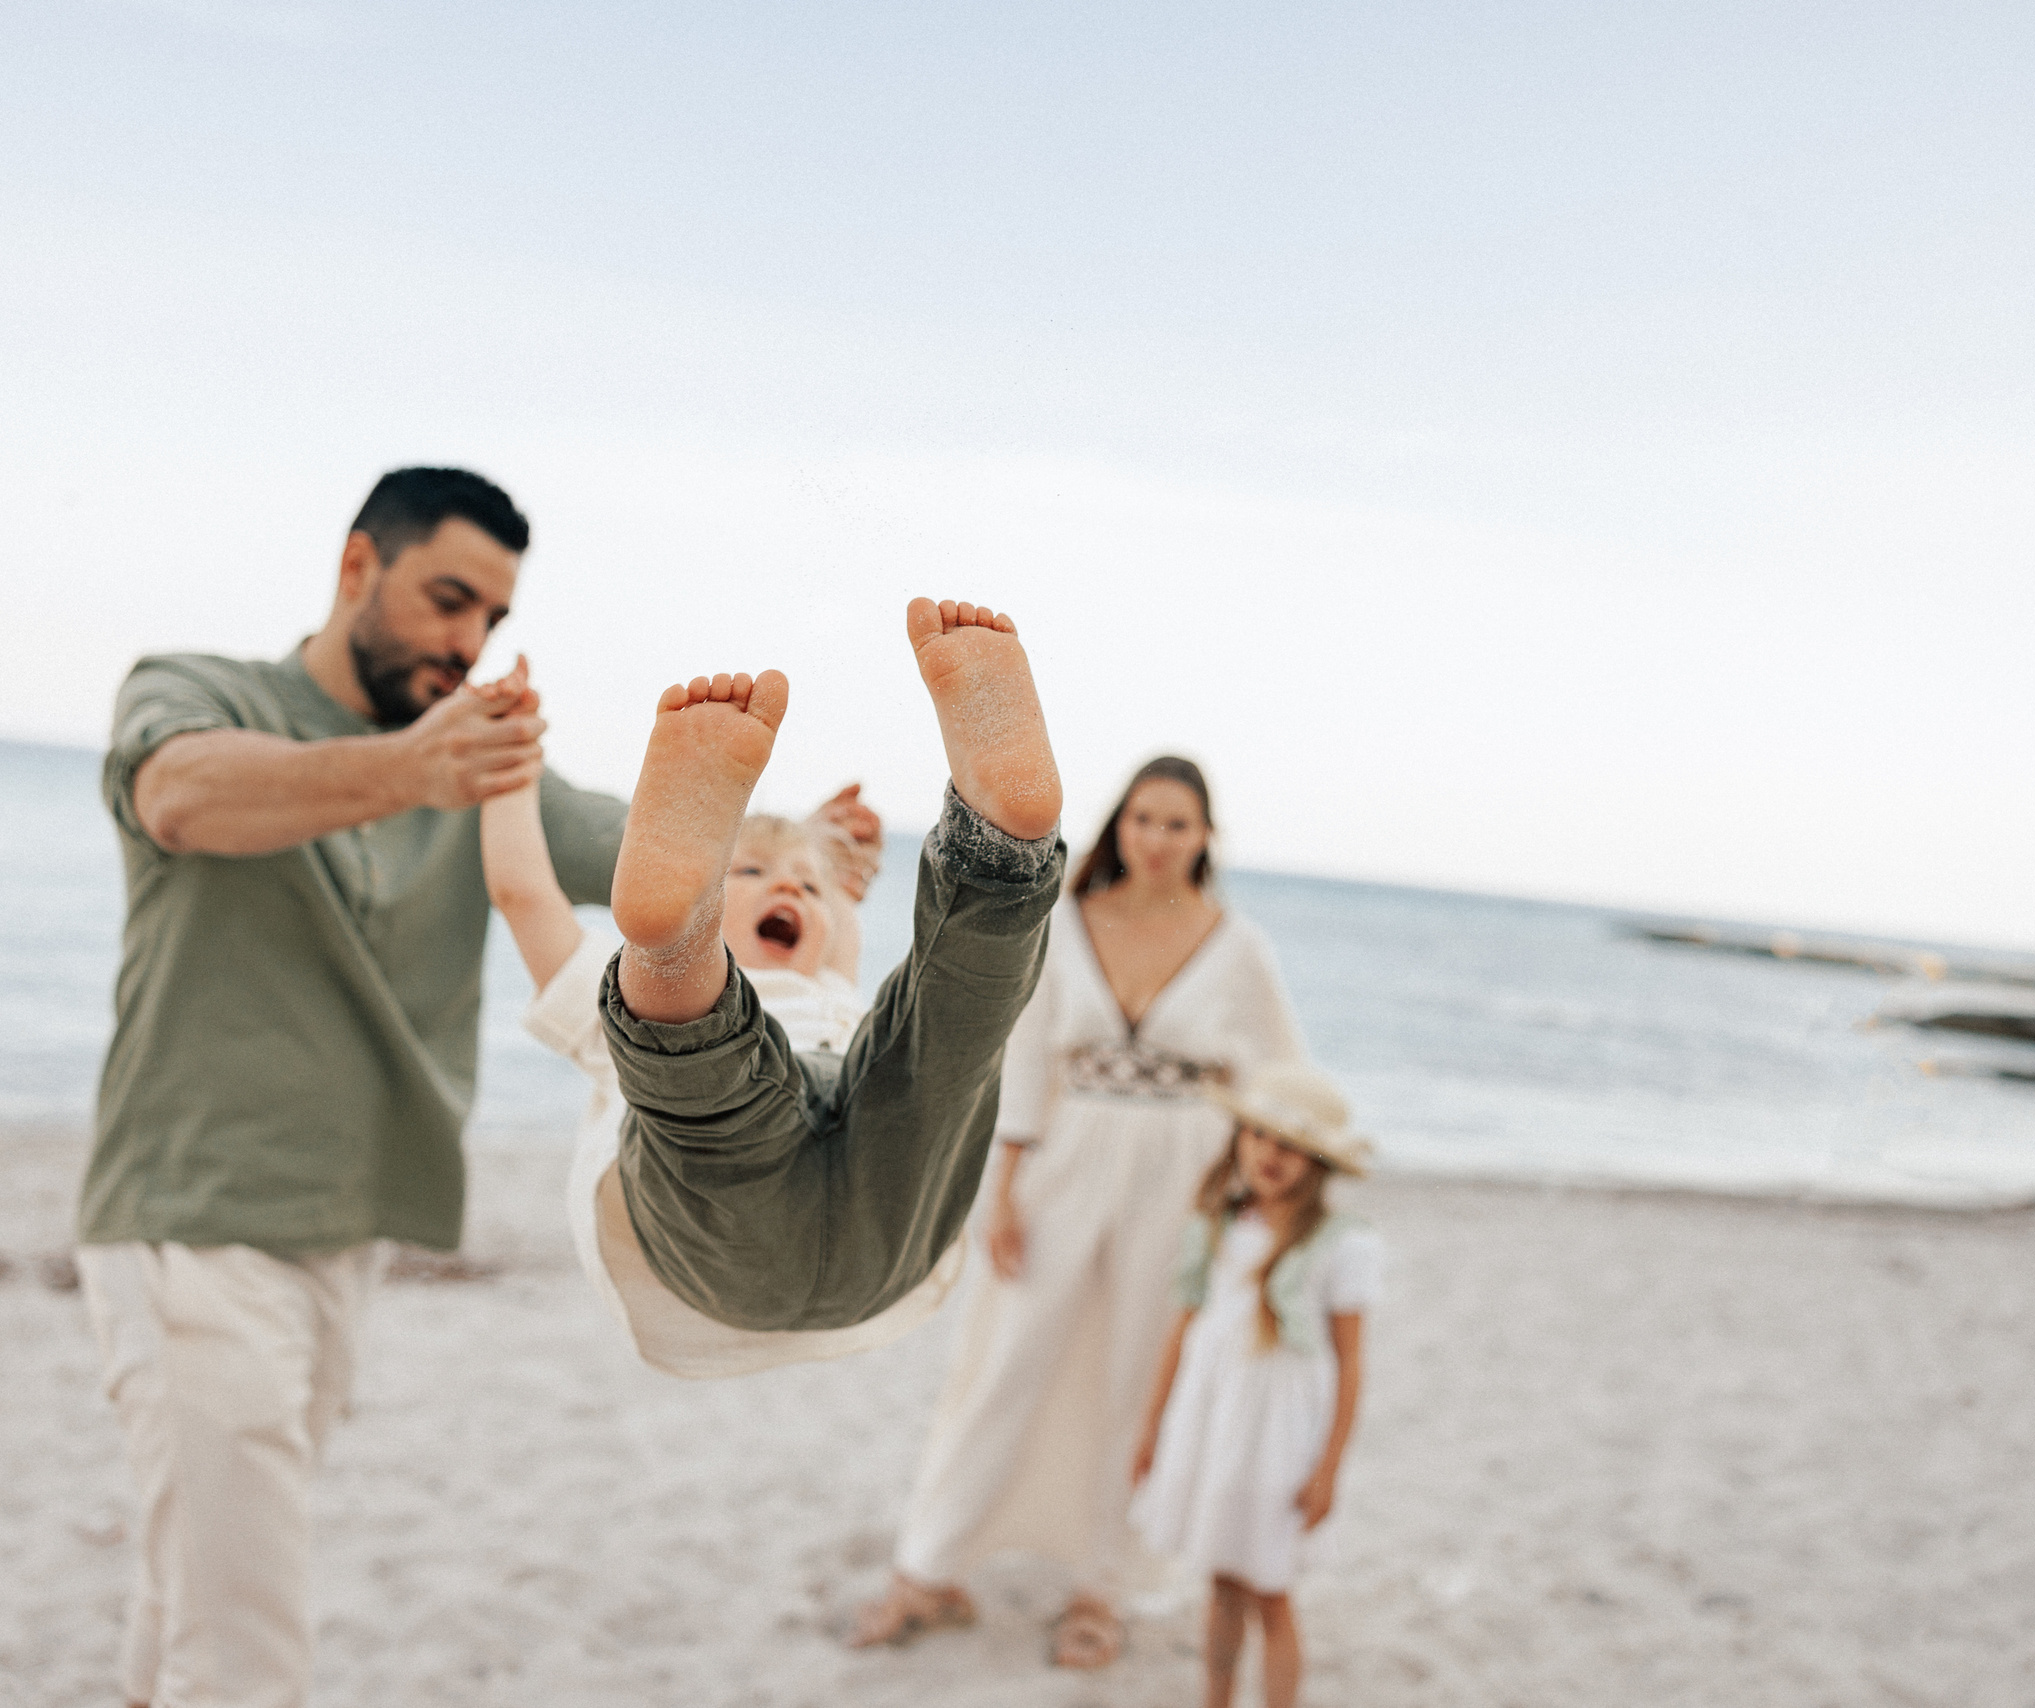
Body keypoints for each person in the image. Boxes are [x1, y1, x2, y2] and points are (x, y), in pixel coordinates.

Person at [72, 465, 879, 1708]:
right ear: (358, 568)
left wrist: (784, 857)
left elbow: (649, 858)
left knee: (192, 1595)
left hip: (346, 1231)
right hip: (193, 1218)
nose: (469, 642)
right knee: (246, 1656)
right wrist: (412, 769)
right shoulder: (203, 692)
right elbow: (179, 794)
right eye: (450, 599)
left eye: (492, 620)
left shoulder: (482, 768)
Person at [481, 597, 1067, 1354]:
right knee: (720, 1081)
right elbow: (525, 894)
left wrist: (806, 852)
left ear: (832, 919)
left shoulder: (833, 986)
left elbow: (854, 923)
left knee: (948, 1034)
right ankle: (679, 935)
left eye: (807, 886)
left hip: (834, 1217)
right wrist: (505, 770)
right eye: (750, 872)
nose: (788, 890)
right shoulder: (809, 984)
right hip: (825, 1245)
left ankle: (997, 845)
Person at [854, 756, 1308, 1668]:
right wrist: (1005, 1189)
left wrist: (1263, 1203)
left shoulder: (1240, 946)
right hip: (1067, 1158)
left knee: (1141, 1376)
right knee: (1007, 1360)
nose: (1158, 839)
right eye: (1143, 819)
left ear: (1206, 837)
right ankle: (929, 1567)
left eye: (1179, 824)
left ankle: (1106, 1586)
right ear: (1120, 825)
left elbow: (1279, 1079)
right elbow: (1025, 1059)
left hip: (1186, 1173)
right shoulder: (1067, 923)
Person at [1129, 1063, 1380, 1708]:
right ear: (1239, 1137)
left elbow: (1351, 1363)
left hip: (1279, 1438)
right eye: (1260, 1135)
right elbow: (1180, 1333)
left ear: (1317, 1163)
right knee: (1221, 1580)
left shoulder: (1337, 1245)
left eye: (1292, 1145)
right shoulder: (1216, 1225)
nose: (1272, 1155)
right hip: (1212, 1426)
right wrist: (1151, 1428)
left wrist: (1329, 1466)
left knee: (1271, 1588)